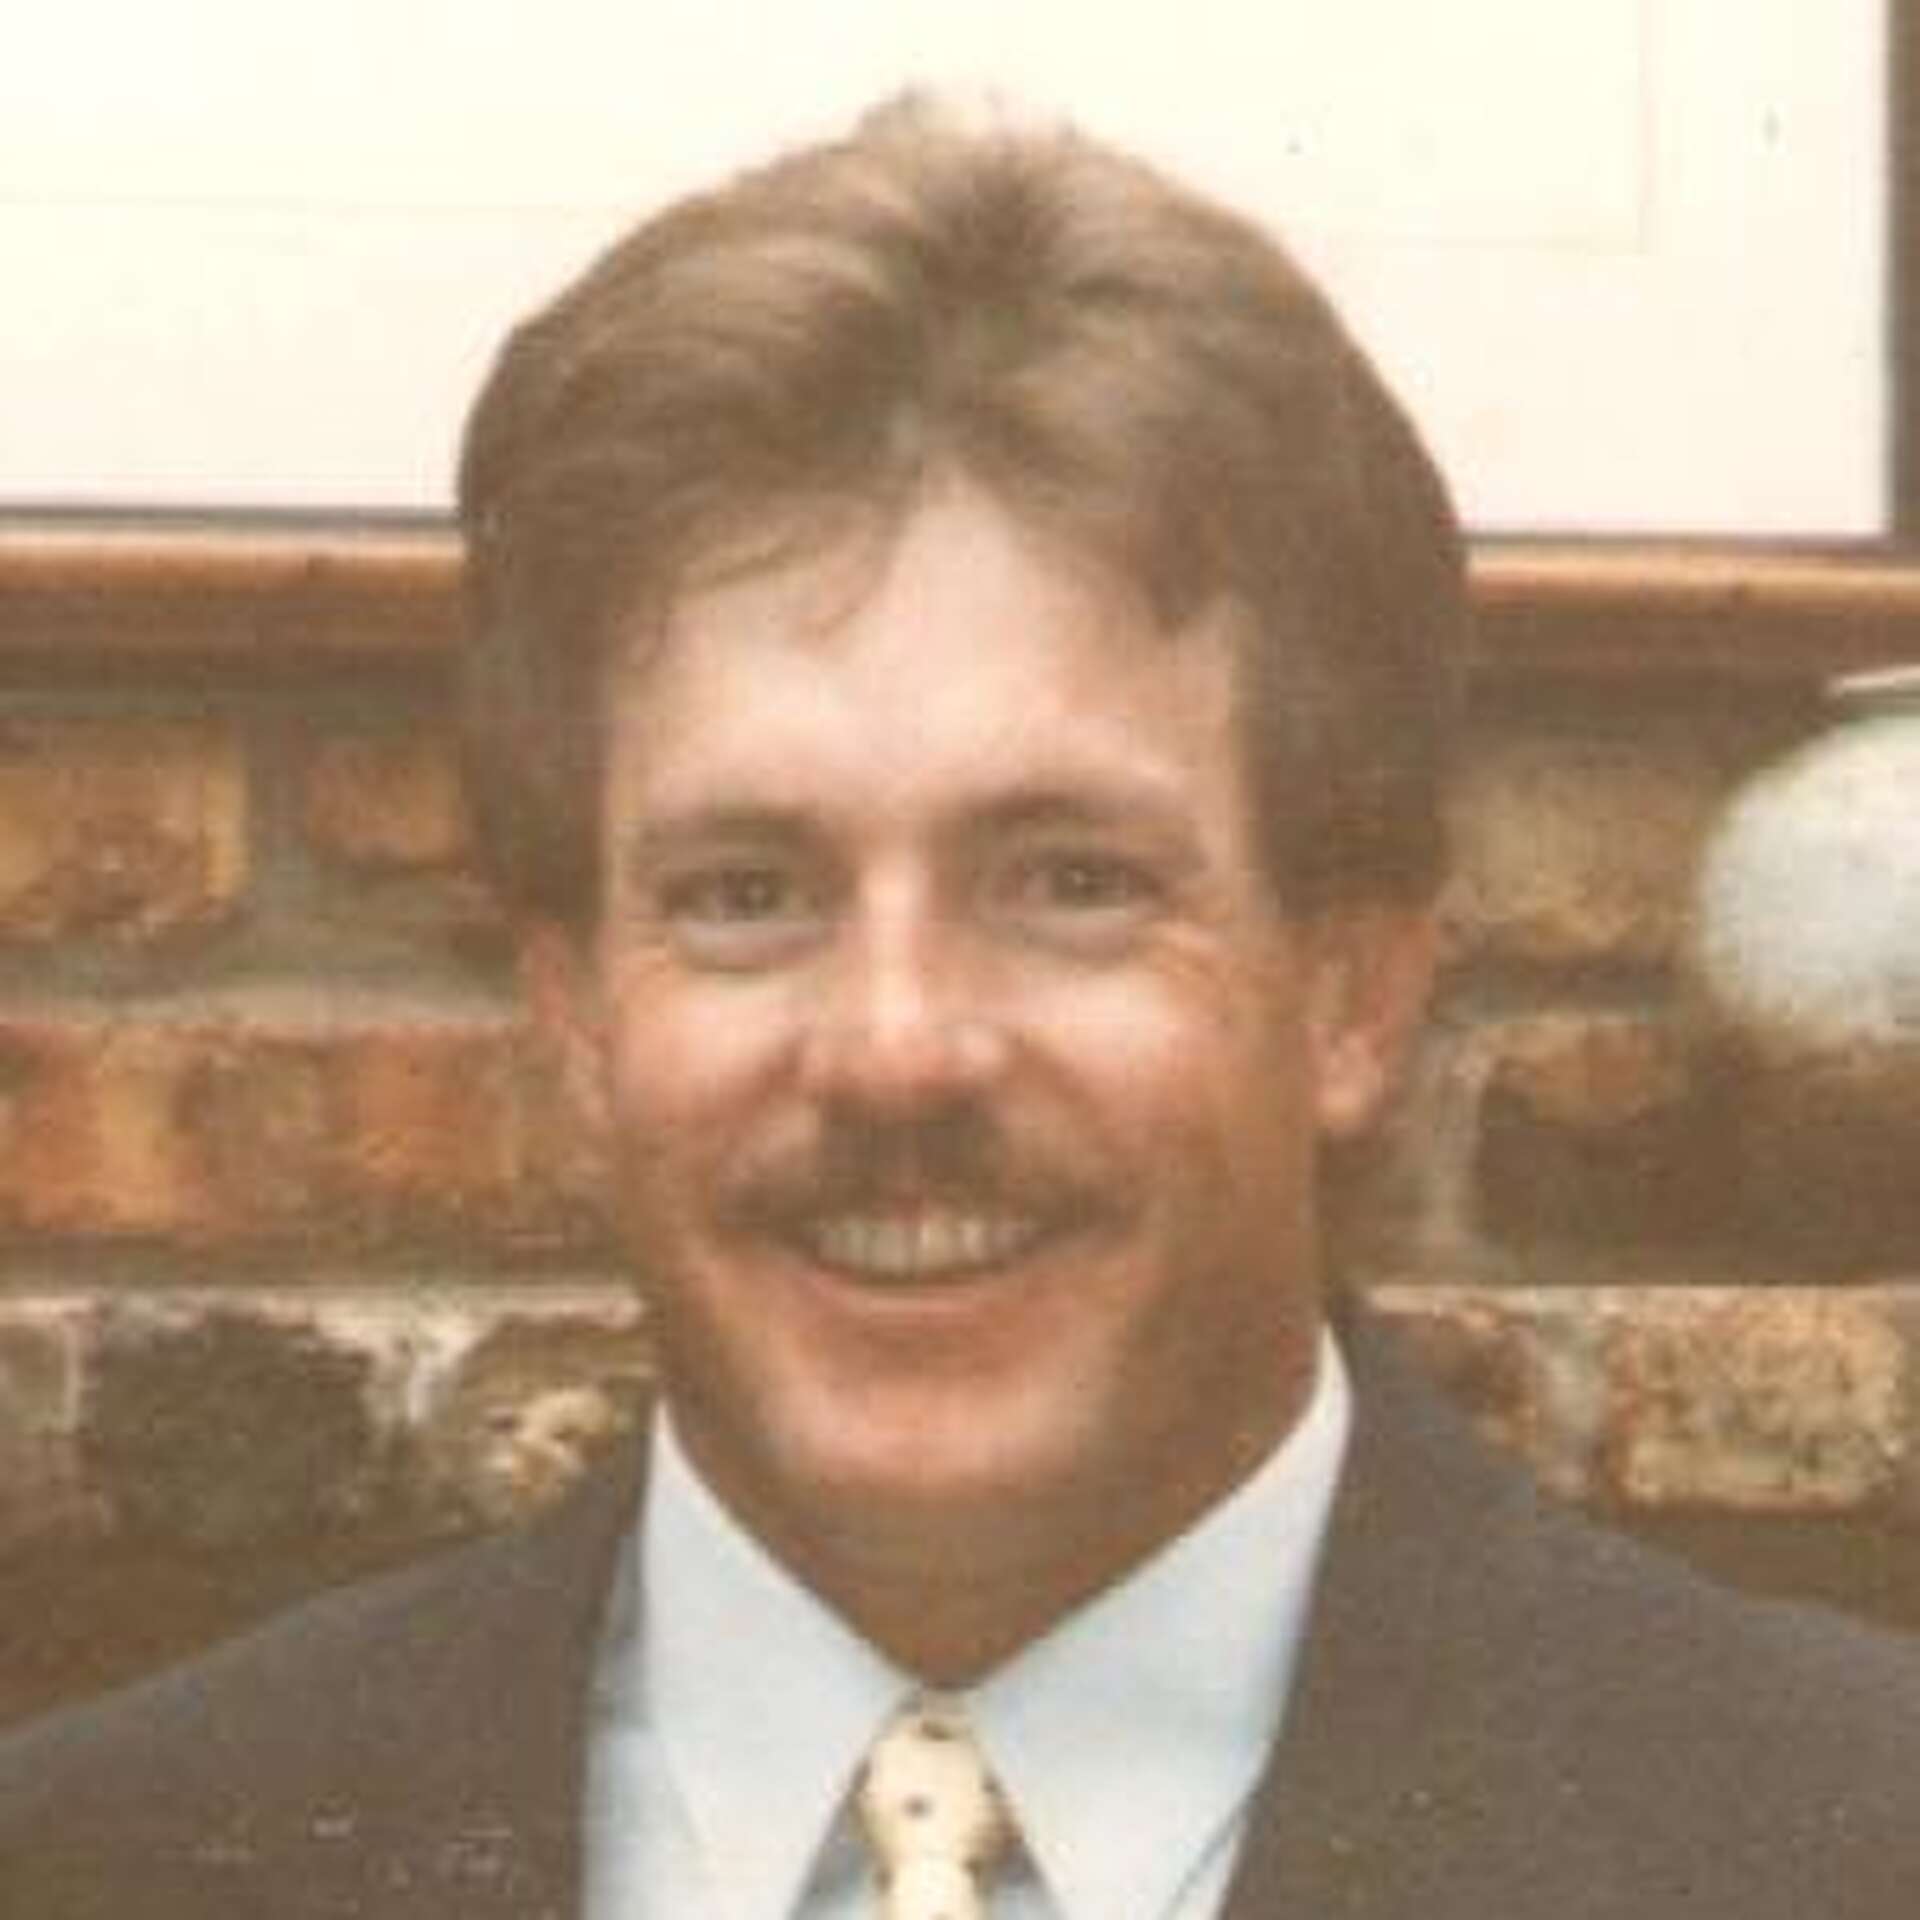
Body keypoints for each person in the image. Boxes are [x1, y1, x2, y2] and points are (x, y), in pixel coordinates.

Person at [2, 93, 1918, 1920]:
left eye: (1069, 881)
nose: (898, 1048)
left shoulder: (1849, 1846)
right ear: (574, 1015)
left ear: (1353, 989)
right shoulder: (107, 1864)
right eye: (748, 894)